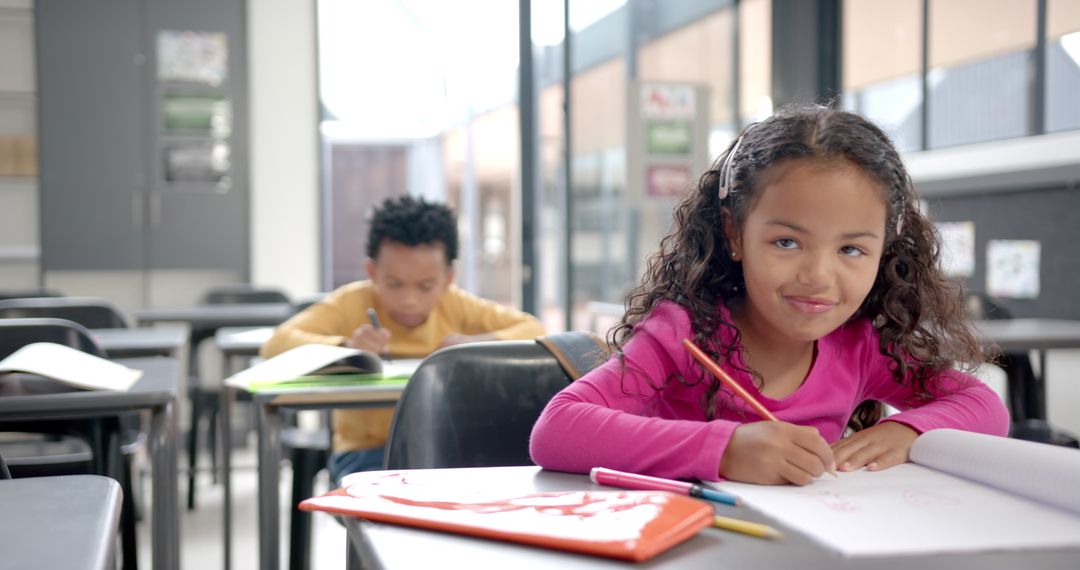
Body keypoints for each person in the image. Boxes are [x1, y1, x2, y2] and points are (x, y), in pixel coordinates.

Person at [529, 105, 1009, 486]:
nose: (819, 275)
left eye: (851, 249)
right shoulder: (684, 334)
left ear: (885, 251)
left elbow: (986, 407)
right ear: (735, 234)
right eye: (787, 242)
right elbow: (557, 430)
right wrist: (727, 449)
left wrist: (907, 430)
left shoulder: (862, 347)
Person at [262, 195, 546, 482]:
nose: (409, 300)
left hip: (447, 448)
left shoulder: (456, 304)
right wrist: (346, 348)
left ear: (448, 277)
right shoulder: (351, 302)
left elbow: (534, 329)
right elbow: (276, 343)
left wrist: (475, 345)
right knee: (393, 506)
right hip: (367, 452)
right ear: (372, 271)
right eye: (394, 284)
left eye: (425, 286)